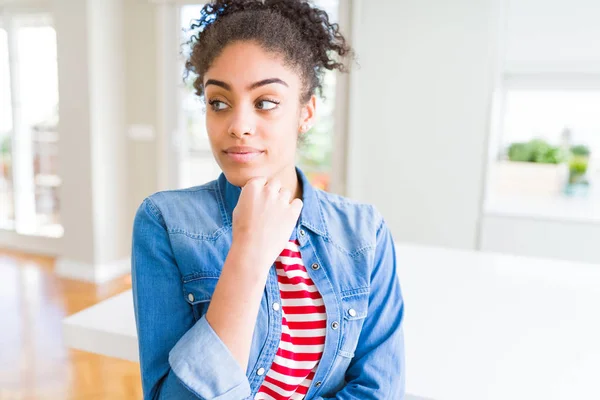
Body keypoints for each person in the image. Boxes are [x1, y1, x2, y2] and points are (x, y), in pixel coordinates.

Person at [131, 0, 405, 398]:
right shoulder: (165, 222)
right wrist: (248, 255)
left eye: (265, 103)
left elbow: (379, 390)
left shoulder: (365, 232)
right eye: (218, 103)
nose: (238, 126)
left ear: (305, 112)